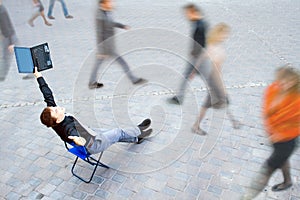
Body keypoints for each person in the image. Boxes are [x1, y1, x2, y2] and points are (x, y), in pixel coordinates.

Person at [34, 67, 153, 154]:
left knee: (113, 134)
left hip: (89, 132)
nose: (56, 107)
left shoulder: (54, 120)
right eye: (55, 110)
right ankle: (139, 130)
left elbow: (47, 95)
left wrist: (38, 76)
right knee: (117, 132)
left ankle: (137, 138)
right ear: (58, 119)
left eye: (53, 107)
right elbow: (74, 136)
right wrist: (78, 140)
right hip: (93, 144)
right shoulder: (67, 128)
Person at [242, 66, 300, 199]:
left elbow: (295, 123)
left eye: (289, 82)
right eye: (283, 81)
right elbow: (267, 111)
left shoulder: (297, 99)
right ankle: (287, 181)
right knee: (283, 160)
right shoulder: (273, 89)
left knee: (266, 170)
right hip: (274, 137)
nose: (285, 85)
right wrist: (272, 132)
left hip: (287, 141)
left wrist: (280, 133)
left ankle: (247, 197)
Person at [191, 23, 240, 135]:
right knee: (210, 103)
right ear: (218, 34)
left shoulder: (211, 45)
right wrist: (223, 90)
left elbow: (200, 58)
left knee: (214, 102)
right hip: (214, 80)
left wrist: (194, 70)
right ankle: (196, 126)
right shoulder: (216, 49)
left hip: (211, 77)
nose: (225, 37)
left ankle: (232, 120)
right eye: (224, 34)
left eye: (226, 35)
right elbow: (217, 73)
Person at [89, 0, 146, 89]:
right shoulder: (100, 16)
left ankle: (92, 82)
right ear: (102, 4)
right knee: (121, 62)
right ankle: (133, 79)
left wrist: (122, 26)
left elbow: (111, 23)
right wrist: (101, 50)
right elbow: (99, 34)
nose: (111, 3)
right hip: (106, 47)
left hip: (109, 46)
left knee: (99, 64)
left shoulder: (107, 13)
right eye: (108, 2)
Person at [169, 3, 208, 104]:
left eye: (188, 13)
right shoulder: (198, 23)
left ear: (193, 12)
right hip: (196, 56)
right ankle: (179, 97)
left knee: (206, 77)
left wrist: (197, 60)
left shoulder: (200, 25)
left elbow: (201, 43)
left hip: (198, 57)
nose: (187, 16)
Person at [0, 0, 18, 81]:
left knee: (6, 57)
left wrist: (11, 43)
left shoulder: (1, 11)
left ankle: (2, 75)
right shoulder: (2, 9)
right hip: (9, 36)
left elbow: (6, 26)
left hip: (9, 37)